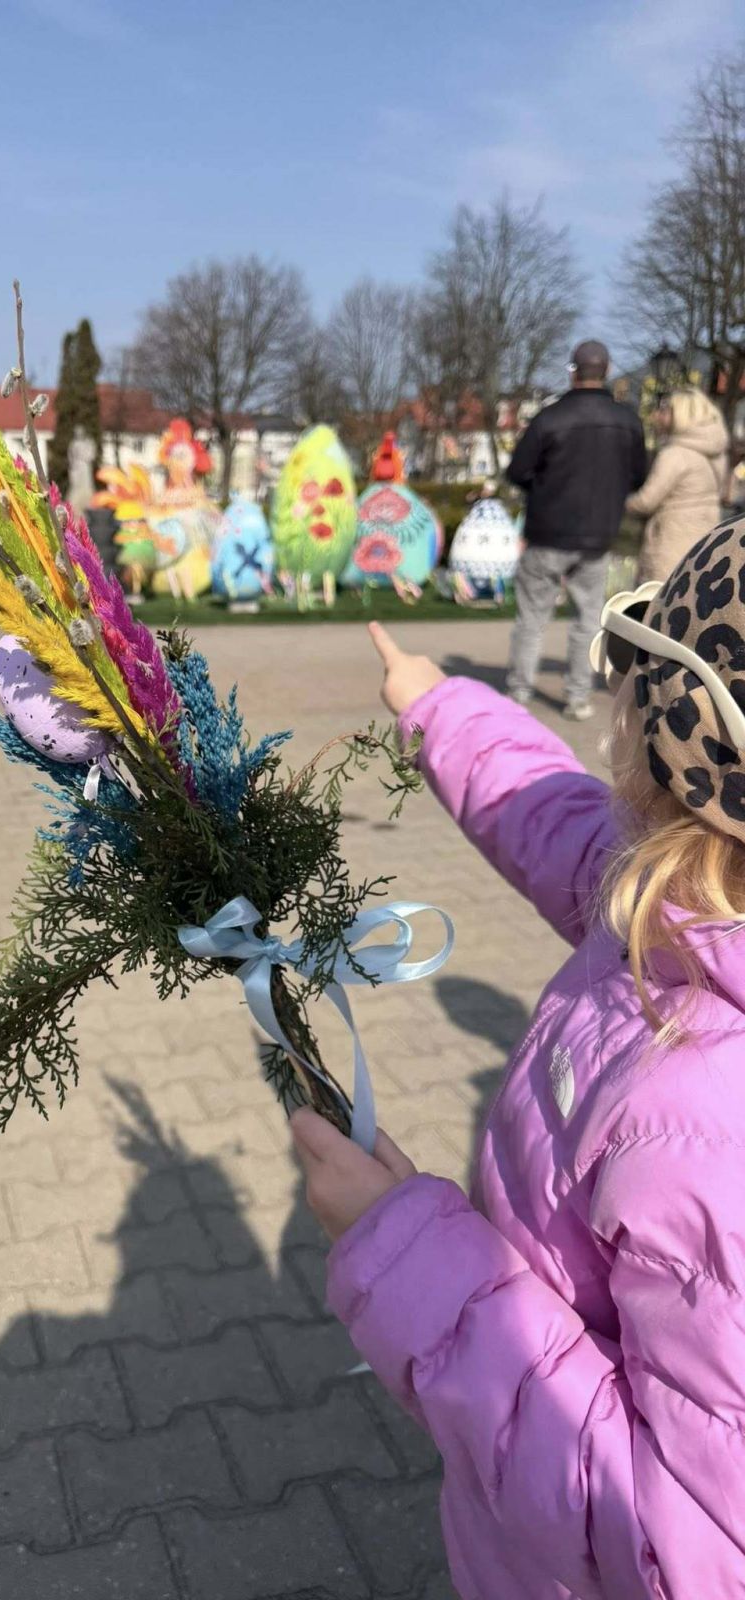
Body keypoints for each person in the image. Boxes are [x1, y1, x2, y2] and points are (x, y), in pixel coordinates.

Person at [291, 568, 745, 1597]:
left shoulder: (709, 1134)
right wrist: (442, 707)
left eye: (627, 686)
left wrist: (409, 1255)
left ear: (668, 755)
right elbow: (559, 823)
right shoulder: (684, 898)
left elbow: (674, 1546)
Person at [505, 339, 647, 720]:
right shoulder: (627, 421)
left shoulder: (549, 419)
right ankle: (577, 697)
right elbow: (638, 477)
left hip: (547, 533)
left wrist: (545, 487)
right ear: (607, 370)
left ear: (573, 372)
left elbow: (517, 471)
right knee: (587, 620)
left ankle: (518, 692)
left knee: (532, 618)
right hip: (597, 535)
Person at [625, 388, 728, 582]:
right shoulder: (716, 453)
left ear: (680, 415)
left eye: (665, 410)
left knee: (659, 596)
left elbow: (647, 501)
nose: (657, 415)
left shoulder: (674, 454)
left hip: (670, 543)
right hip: (704, 544)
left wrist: (622, 502)